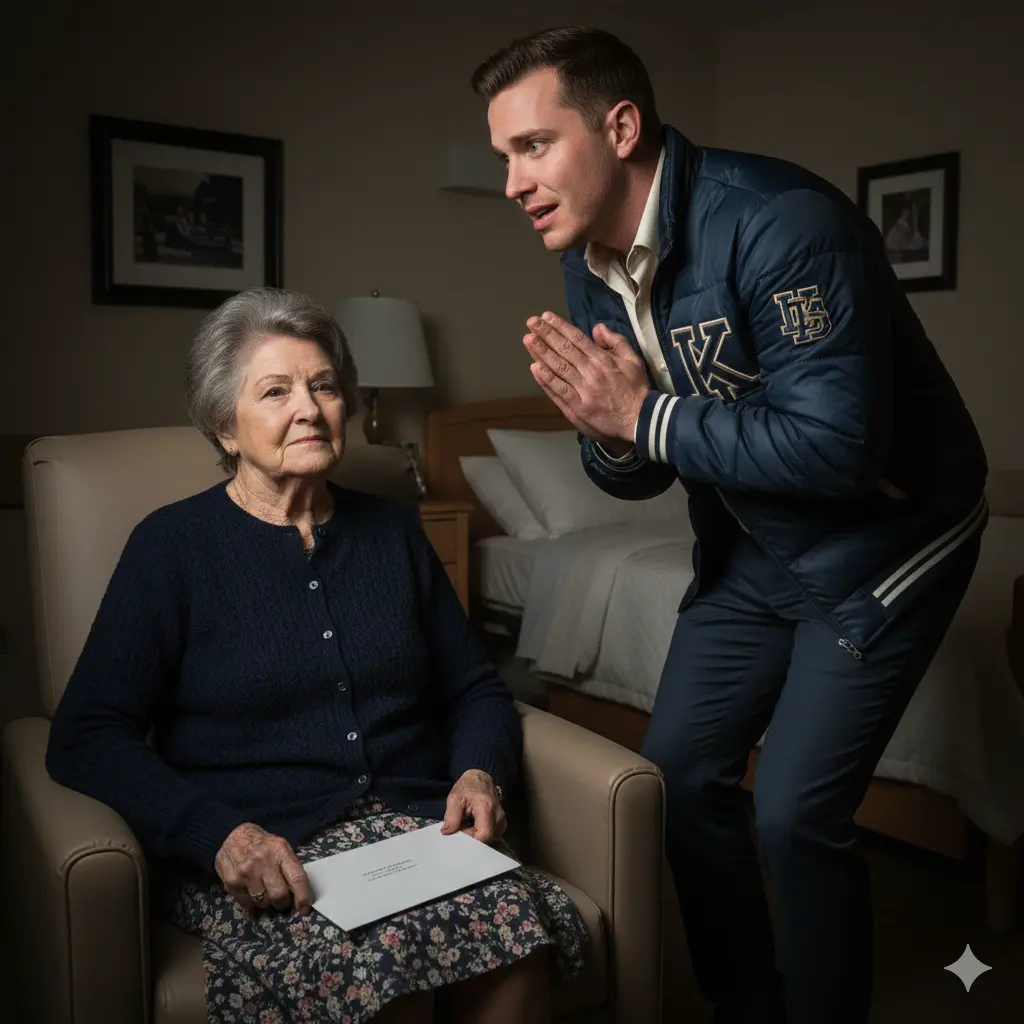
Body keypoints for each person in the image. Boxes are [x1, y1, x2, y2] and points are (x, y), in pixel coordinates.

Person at [472, 26, 987, 1024]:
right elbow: (623, 470)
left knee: (794, 814)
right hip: (750, 546)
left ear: (617, 126)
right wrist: (614, 437)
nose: (511, 182)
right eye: (502, 157)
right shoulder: (588, 262)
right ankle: (746, 1003)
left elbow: (839, 451)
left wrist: (641, 419)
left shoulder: (783, 221)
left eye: (531, 146)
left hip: (890, 535)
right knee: (677, 779)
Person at [45, 287, 587, 1024]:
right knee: (383, 970)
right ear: (223, 427)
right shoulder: (171, 549)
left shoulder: (393, 534)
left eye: (324, 385)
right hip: (265, 851)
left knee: (517, 940)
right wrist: (222, 836)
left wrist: (478, 771)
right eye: (275, 391)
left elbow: (473, 689)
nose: (309, 407)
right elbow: (86, 735)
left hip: (414, 834)